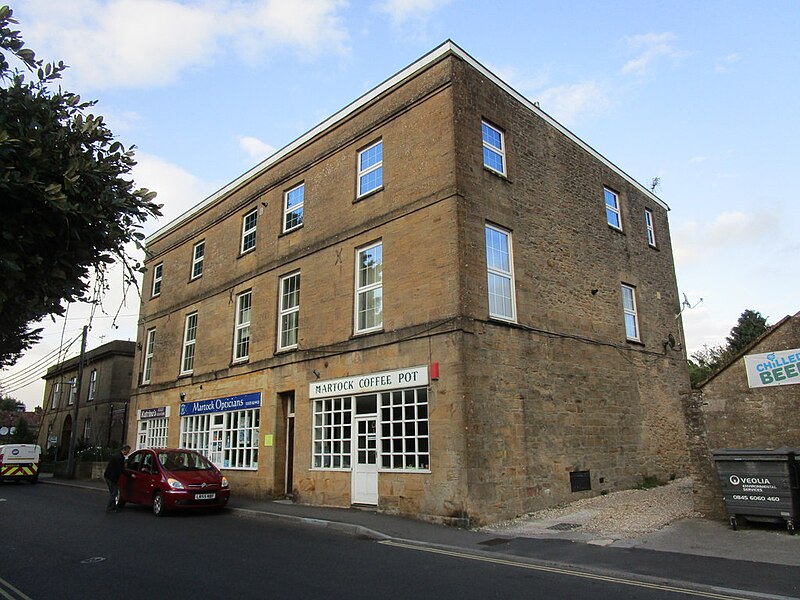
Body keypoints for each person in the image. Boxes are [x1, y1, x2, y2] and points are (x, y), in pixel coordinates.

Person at [103, 444, 130, 513]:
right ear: (124, 450)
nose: (128, 453)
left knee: (113, 492)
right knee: (114, 492)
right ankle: (109, 507)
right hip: (112, 477)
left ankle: (113, 507)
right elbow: (120, 469)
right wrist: (129, 474)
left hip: (108, 476)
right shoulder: (119, 457)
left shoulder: (117, 455)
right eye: (127, 451)